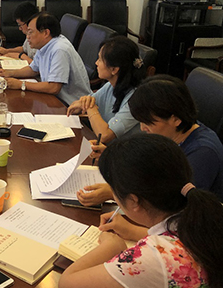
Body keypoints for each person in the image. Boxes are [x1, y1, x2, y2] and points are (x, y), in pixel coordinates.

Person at [59, 134, 223, 288]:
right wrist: (133, 231)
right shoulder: (210, 211)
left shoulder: (155, 259)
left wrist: (111, 246)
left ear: (134, 201)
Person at [77, 75, 223, 208]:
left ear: (175, 119)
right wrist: (111, 156)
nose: (142, 128)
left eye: (148, 122)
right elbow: (152, 169)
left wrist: (116, 193)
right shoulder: (173, 133)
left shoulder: (203, 153)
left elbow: (177, 207)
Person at [0, 12, 91, 106]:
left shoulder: (60, 50)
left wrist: (20, 84)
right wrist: (9, 73)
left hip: (71, 105)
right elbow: (33, 69)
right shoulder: (44, 44)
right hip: (53, 100)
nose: (27, 37)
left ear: (45, 33)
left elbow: (54, 87)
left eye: (30, 32)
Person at [67, 36, 144, 144]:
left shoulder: (136, 99)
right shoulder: (110, 85)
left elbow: (104, 136)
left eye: (100, 59)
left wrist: (90, 107)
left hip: (125, 151)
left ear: (114, 69)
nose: (96, 63)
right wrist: (82, 106)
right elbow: (85, 104)